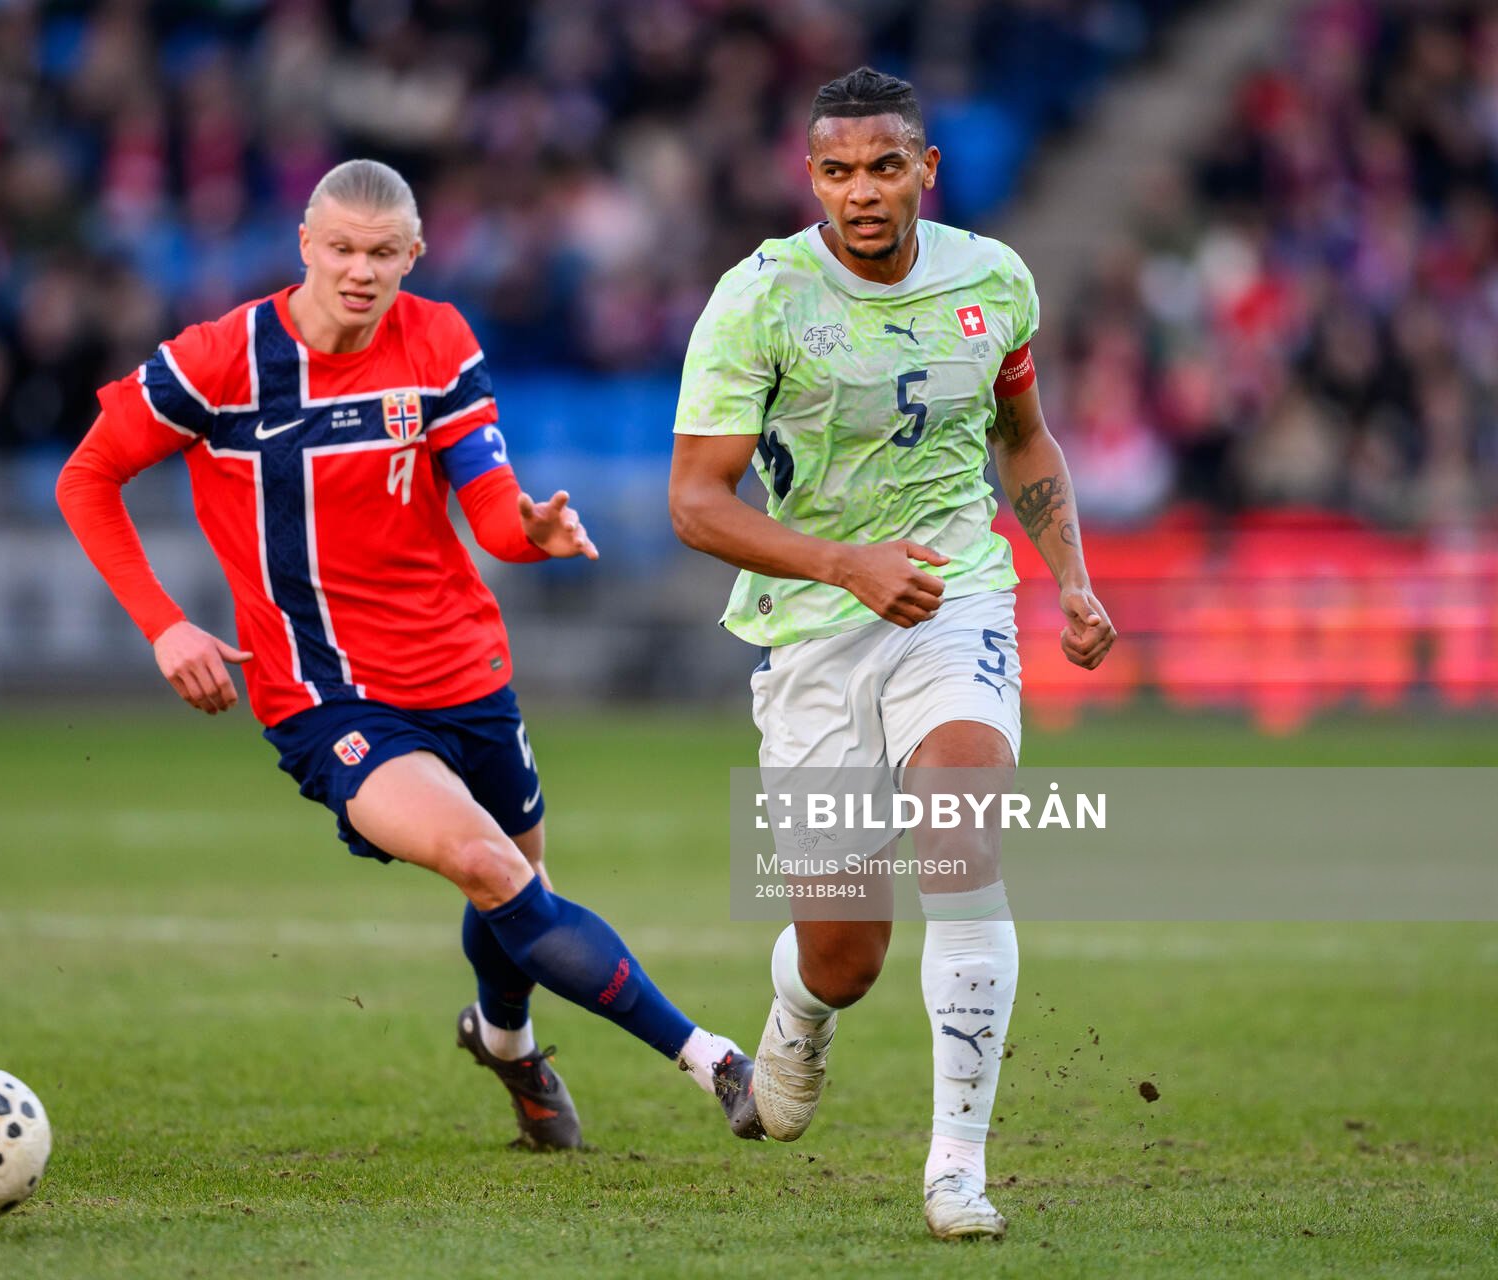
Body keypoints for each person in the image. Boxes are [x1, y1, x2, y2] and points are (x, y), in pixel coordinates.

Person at [57, 158, 750, 1152]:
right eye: (339, 247)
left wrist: (531, 530)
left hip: (467, 674)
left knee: (512, 886)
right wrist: (164, 622)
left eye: (383, 252)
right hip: (329, 698)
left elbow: (489, 511)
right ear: (305, 243)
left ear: (414, 256)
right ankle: (714, 1059)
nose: (359, 269)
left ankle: (506, 1042)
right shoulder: (220, 359)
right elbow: (87, 478)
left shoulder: (437, 341)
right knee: (488, 862)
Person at [667, 69, 1118, 1239]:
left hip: (956, 590)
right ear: (807, 175)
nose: (860, 192)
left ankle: (957, 1167)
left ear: (928, 168)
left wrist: (1069, 578)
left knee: (962, 832)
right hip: (815, 628)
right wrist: (842, 562)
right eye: (835, 170)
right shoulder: (758, 298)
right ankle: (796, 1020)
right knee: (846, 950)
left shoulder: (994, 278)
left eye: (882, 166)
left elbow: (1023, 436)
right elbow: (697, 503)